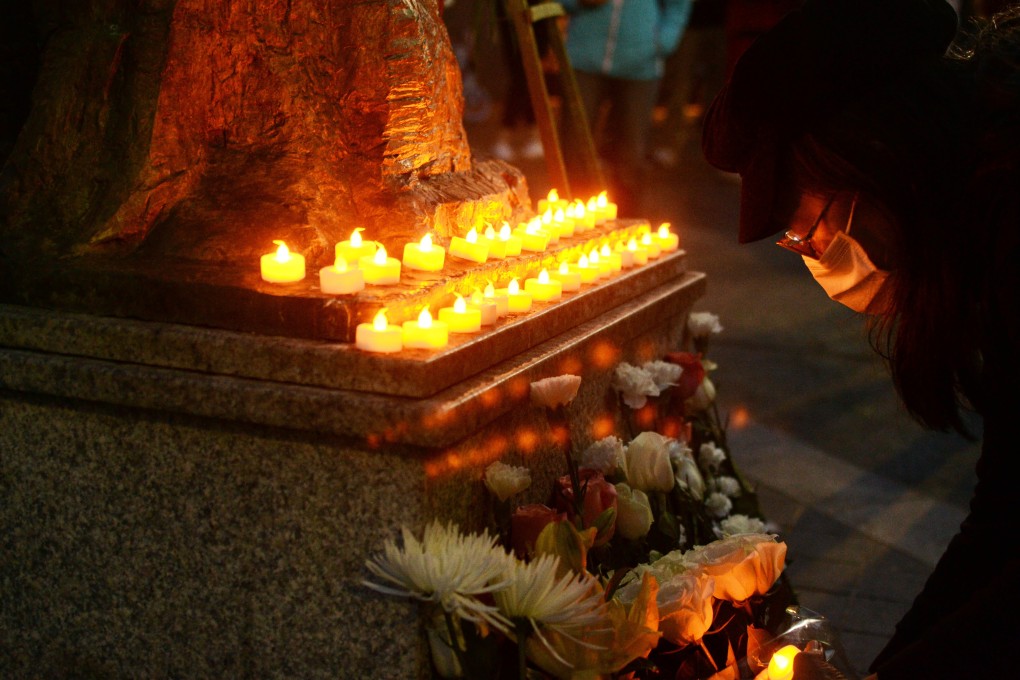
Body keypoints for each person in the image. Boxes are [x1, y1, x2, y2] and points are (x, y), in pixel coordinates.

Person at [701, 0, 1020, 678]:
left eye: (808, 231)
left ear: (879, 158)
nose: (816, 257)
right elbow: (1003, 510)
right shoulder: (977, 236)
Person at [559, 0, 694, 217]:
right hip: (584, 56)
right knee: (575, 148)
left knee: (630, 154)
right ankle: (573, 223)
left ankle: (626, 227)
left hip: (641, 63)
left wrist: (664, 40)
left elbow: (679, 4)